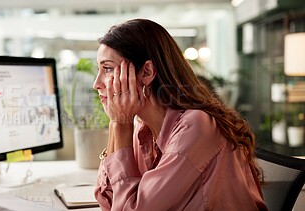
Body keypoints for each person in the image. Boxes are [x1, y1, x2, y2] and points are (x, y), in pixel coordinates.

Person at [92, 18, 267, 211]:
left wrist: (120, 124)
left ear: (147, 72)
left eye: (107, 69)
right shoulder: (143, 129)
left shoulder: (196, 126)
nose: (96, 83)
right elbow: (107, 201)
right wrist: (116, 123)